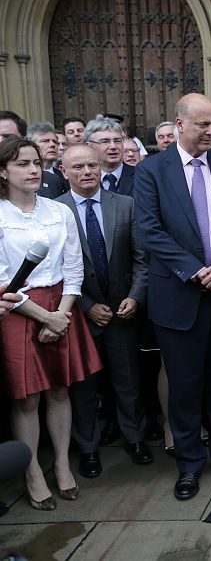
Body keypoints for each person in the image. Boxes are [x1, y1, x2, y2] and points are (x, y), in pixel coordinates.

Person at [134, 93, 211, 501]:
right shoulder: (152, 170)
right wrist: (195, 269)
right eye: (202, 124)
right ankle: (189, 463)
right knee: (184, 387)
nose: (210, 131)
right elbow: (149, 230)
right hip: (179, 297)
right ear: (179, 123)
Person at [0, 137, 102, 510]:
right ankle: (31, 472)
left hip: (62, 305)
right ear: (2, 172)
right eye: (22, 164)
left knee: (60, 390)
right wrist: (45, 317)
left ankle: (61, 464)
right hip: (17, 309)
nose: (33, 170)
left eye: (36, 163)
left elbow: (74, 267)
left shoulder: (59, 211)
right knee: (27, 398)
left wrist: (61, 313)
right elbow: (2, 278)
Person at [57, 143, 152, 478]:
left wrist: (136, 297)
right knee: (84, 388)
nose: (87, 172)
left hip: (122, 311)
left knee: (128, 381)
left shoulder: (125, 205)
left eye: (92, 165)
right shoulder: (56, 211)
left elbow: (142, 259)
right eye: (78, 167)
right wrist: (85, 305)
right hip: (80, 316)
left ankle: (135, 438)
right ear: (64, 171)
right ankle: (88, 448)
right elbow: (57, 269)